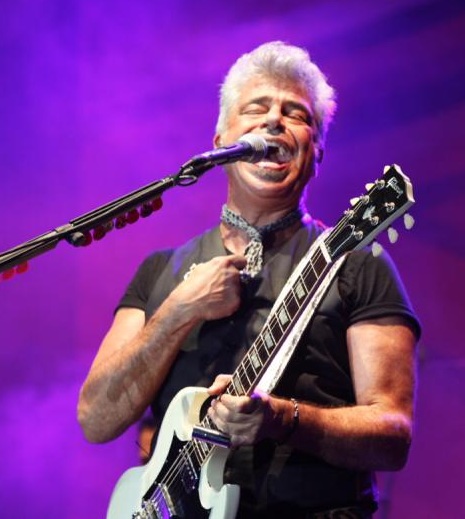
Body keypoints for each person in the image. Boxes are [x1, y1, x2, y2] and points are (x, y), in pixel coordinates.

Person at [77, 41, 420, 518]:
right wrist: (178, 311)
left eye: (296, 114)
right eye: (256, 109)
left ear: (317, 149)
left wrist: (284, 419)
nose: (274, 120)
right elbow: (96, 418)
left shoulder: (360, 266)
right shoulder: (161, 270)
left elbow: (393, 435)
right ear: (220, 140)